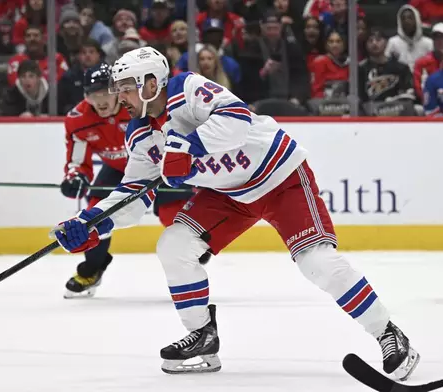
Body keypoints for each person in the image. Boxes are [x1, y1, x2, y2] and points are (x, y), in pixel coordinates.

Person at [50, 47, 421, 379]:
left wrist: (188, 148)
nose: (120, 97)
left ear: (151, 83)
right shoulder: (141, 135)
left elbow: (236, 117)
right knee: (174, 246)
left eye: (126, 87)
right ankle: (202, 336)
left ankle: (388, 332)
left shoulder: (186, 88)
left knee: (318, 263)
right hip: (227, 194)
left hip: (279, 176)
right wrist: (91, 223)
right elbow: (132, 192)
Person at [60, 62, 195, 298]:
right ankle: (91, 269)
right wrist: (76, 177)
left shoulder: (136, 106)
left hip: (157, 165)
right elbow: (78, 160)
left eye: (104, 93)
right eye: (93, 95)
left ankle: (194, 247)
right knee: (95, 215)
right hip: (118, 170)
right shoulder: (78, 119)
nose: (100, 101)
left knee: (171, 213)